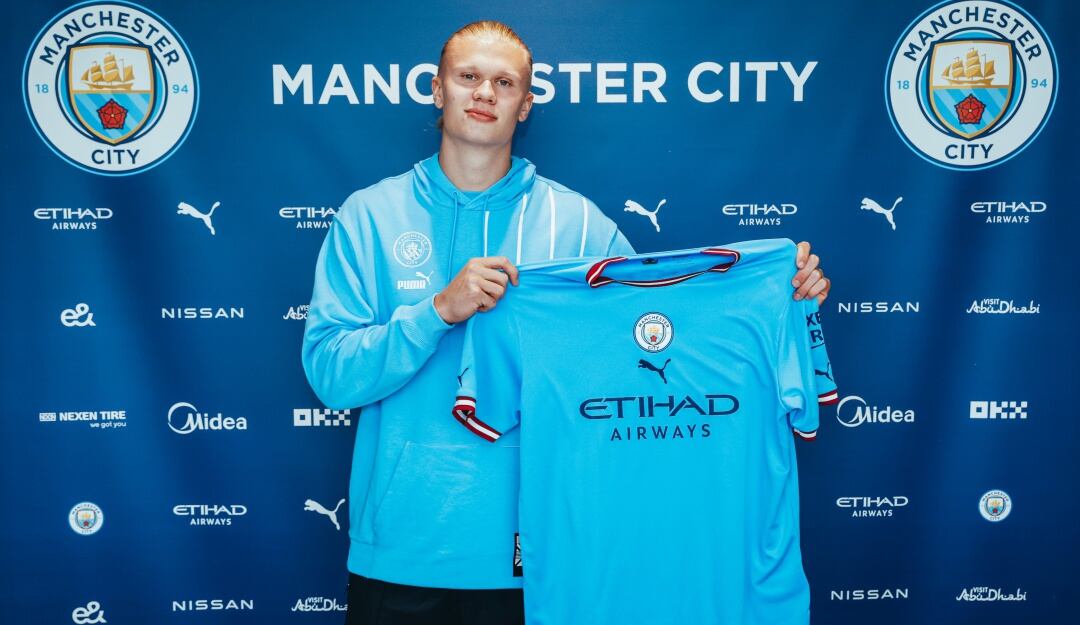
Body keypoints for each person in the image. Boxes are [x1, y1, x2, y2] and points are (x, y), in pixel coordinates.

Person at [302, 20, 830, 625]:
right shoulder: (368, 215)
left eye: (504, 83)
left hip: (551, 561)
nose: (484, 93)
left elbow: (653, 341)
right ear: (437, 88)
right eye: (468, 76)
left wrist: (782, 299)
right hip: (405, 552)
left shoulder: (579, 224)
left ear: (525, 105)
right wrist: (437, 312)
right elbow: (331, 377)